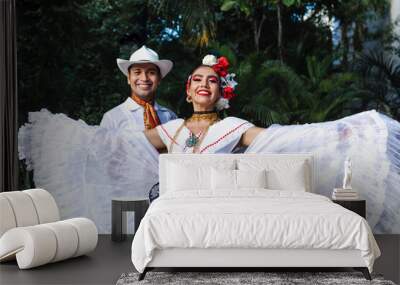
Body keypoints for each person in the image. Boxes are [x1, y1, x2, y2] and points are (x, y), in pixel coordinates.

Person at [18, 55, 400, 234]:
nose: (204, 83)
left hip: (216, 205)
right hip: (174, 205)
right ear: (188, 90)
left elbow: (278, 140)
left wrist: (337, 133)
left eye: (212, 80)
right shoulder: (172, 128)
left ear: (220, 92)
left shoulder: (234, 125)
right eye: (197, 79)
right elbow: (116, 147)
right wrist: (66, 136)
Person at [100, 45, 177, 130]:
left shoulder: (170, 117)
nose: (144, 78)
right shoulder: (112, 118)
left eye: (151, 72)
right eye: (137, 72)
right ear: (129, 78)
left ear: (159, 79)